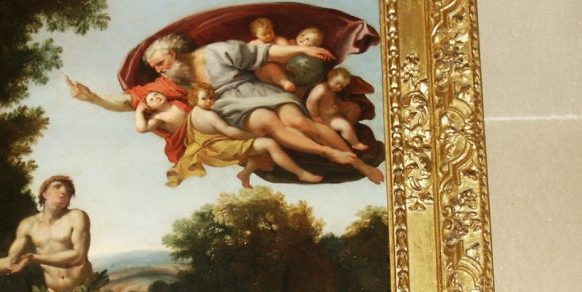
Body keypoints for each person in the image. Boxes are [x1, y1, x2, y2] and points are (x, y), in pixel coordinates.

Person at [68, 33, 384, 184]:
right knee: (271, 124)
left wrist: (306, 50)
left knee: (301, 122)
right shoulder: (174, 82)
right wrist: (92, 97)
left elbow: (264, 53)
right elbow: (129, 101)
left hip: (256, 91)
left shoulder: (218, 52)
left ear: (174, 54)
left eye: (161, 63)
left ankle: (360, 165)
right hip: (232, 107)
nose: (160, 71)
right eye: (156, 68)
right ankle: (329, 153)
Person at [166, 84, 323, 188]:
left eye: (211, 98)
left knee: (257, 148)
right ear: (194, 99)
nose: (209, 101)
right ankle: (301, 174)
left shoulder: (194, 112)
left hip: (213, 146)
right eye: (204, 99)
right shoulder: (210, 115)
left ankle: (244, 174)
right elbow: (230, 131)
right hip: (221, 149)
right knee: (269, 144)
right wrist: (252, 134)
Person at [306, 66, 368, 151]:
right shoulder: (321, 88)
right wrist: (315, 116)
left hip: (333, 114)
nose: (338, 87)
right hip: (325, 119)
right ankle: (355, 144)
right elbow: (310, 102)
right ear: (330, 77)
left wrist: (340, 105)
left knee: (354, 108)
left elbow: (331, 100)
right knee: (345, 126)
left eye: (341, 87)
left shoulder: (331, 89)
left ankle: (349, 131)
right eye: (337, 83)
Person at [248, 17, 297, 93]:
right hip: (264, 72)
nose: (268, 35)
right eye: (264, 34)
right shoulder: (254, 44)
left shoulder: (278, 39)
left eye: (270, 32)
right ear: (256, 35)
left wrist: (286, 46)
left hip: (283, 67)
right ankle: (284, 83)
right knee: (271, 67)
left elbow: (286, 48)